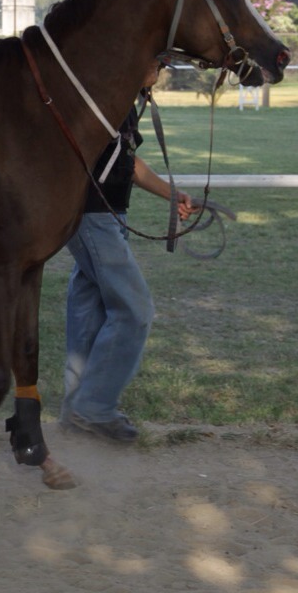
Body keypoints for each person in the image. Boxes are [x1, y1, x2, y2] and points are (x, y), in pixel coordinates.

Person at [60, 105, 195, 443]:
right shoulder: (100, 95)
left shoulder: (124, 100)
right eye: (156, 73)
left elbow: (127, 162)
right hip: (92, 216)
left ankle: (76, 414)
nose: (158, 77)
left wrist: (172, 195)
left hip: (110, 215)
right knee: (135, 310)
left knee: (88, 313)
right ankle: (94, 408)